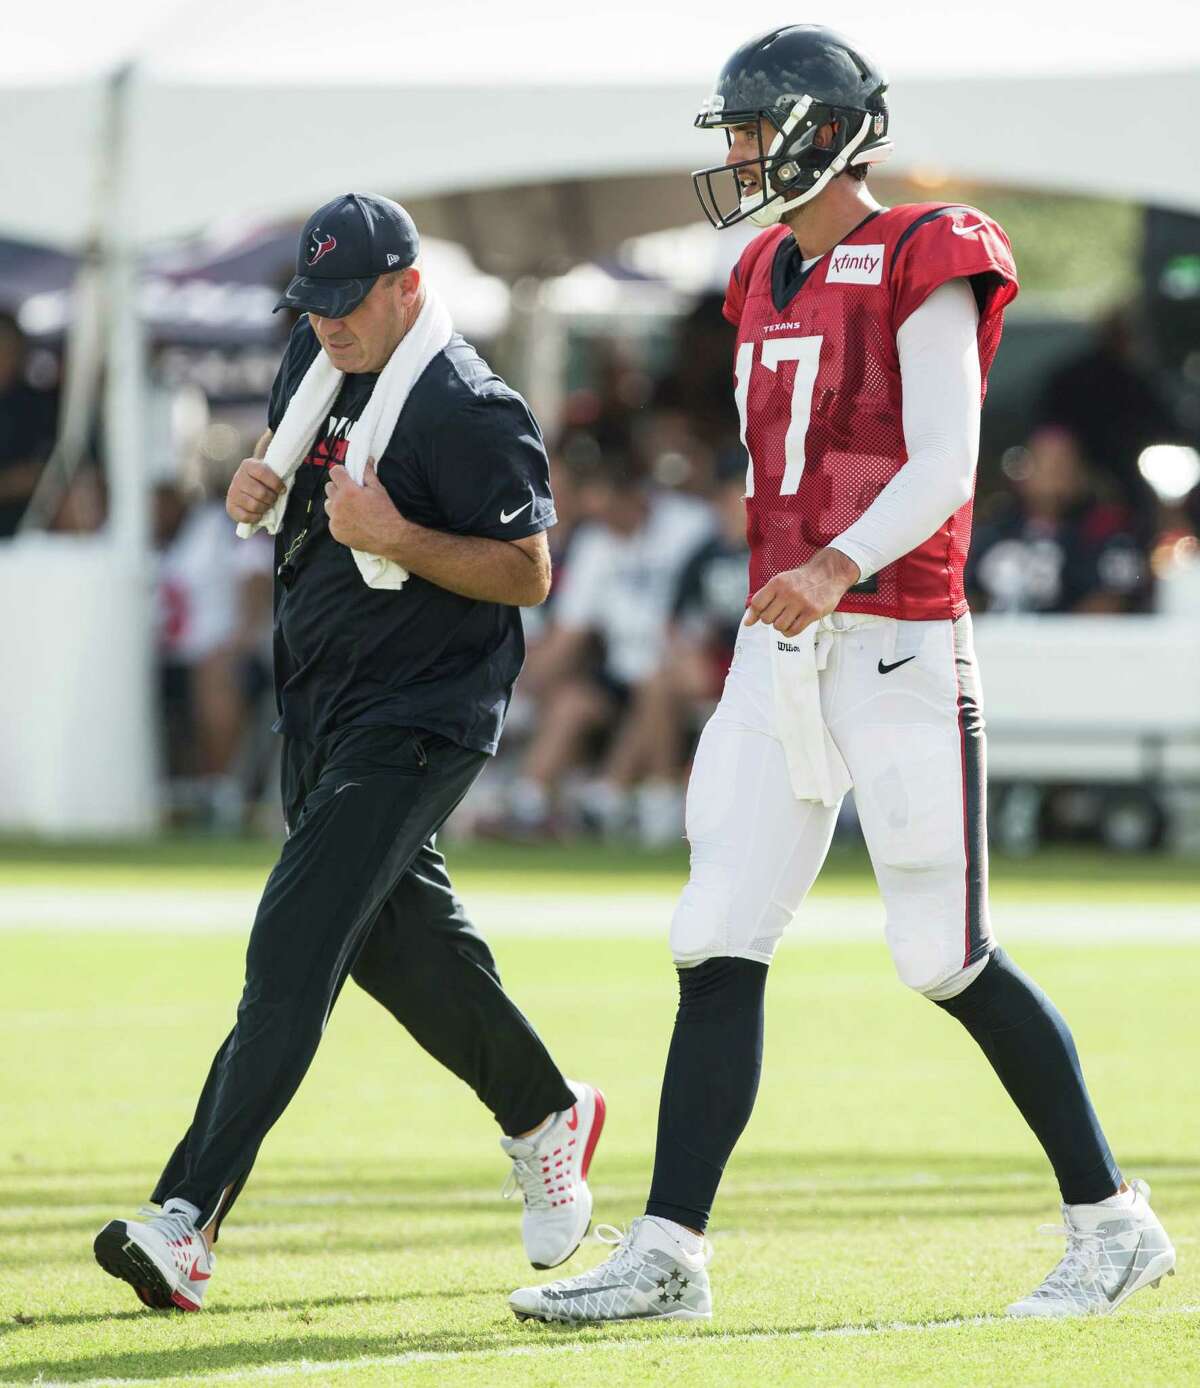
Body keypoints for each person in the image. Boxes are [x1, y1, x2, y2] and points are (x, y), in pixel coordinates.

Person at [509, 25, 1174, 1325]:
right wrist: (778, 585)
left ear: (822, 127)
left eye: (754, 130)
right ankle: (669, 1254)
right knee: (715, 931)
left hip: (900, 642)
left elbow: (944, 465)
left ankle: (1115, 1223)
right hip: (786, 649)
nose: (741, 156)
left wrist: (832, 565)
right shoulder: (761, 267)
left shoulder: (934, 246)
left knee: (943, 952)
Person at [93, 193, 604, 1312]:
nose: (326, 323)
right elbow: (308, 512)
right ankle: (542, 1107)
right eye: (311, 302)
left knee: (294, 948)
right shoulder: (310, 366)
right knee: (390, 942)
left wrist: (397, 537)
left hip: (422, 716)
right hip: (323, 705)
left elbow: (528, 572)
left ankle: (185, 1218)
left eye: (347, 301)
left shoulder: (471, 404)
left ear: (408, 286)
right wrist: (253, 490)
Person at [967, 425, 1149, 614]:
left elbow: (1111, 603)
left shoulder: (1105, 532)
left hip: (1073, 642)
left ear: (1080, 474)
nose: (1053, 474)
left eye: (1062, 465)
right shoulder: (993, 531)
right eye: (1044, 463)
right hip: (995, 641)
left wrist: (1053, 638)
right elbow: (964, 596)